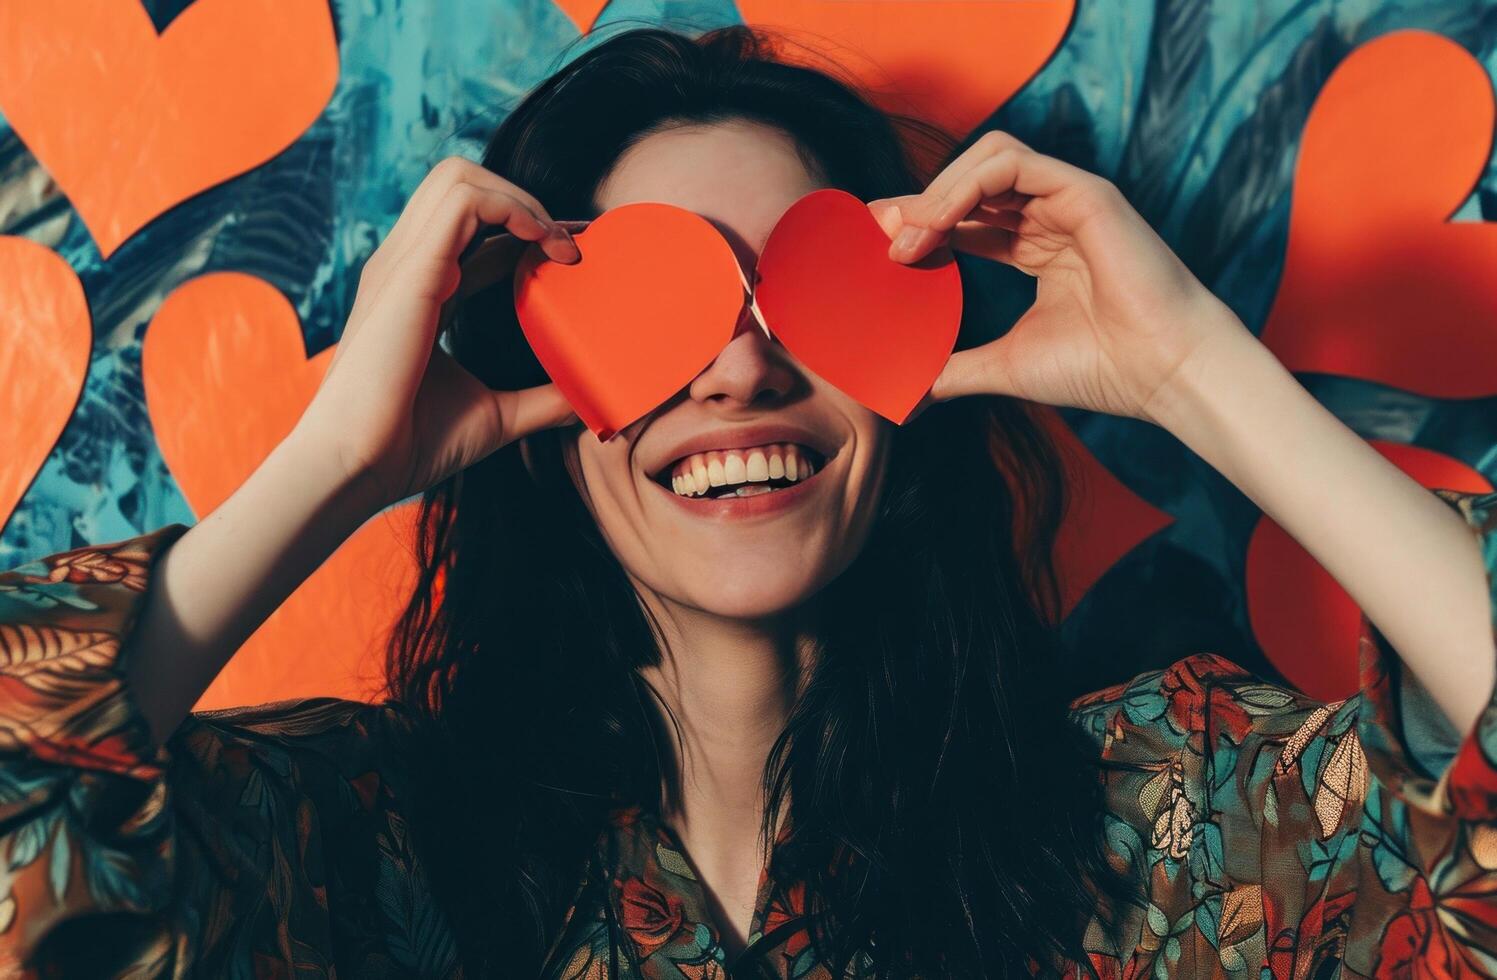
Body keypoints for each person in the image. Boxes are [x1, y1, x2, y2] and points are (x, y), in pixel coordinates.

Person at [0, 23, 1492, 980]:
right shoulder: (354, 841)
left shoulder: (1169, 812)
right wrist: (339, 467)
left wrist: (1191, 374)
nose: (739, 369)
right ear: (545, 392)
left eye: (807, 287)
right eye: (653, 304)